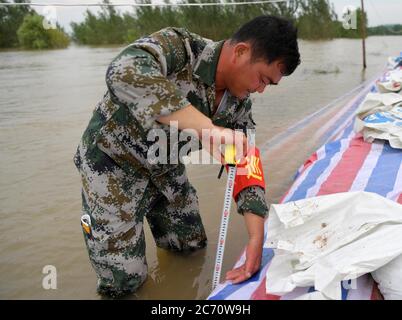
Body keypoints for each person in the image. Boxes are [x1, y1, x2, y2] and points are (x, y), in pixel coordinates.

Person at [73, 15, 300, 298]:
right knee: (124, 282)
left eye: (269, 85)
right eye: (263, 79)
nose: (261, 89)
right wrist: (208, 130)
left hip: (166, 166)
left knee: (190, 248)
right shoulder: (180, 49)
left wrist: (256, 237)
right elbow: (123, 70)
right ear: (241, 52)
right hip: (111, 169)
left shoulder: (238, 104)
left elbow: (245, 163)